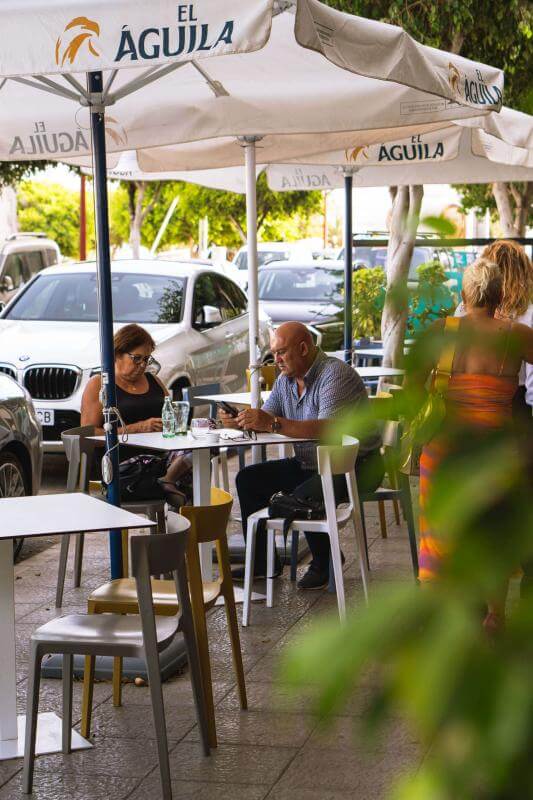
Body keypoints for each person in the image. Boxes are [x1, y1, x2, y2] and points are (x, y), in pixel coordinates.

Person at [414, 258, 533, 630]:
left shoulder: (442, 331)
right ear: (500, 294)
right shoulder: (517, 335)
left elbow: (412, 389)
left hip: (444, 450)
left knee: (441, 533)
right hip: (495, 453)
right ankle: (495, 615)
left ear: (464, 293)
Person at [220, 321, 384, 590]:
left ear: (304, 348)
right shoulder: (285, 380)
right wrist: (241, 420)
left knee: (298, 494)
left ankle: (325, 561)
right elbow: (269, 417)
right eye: (273, 354)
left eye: (282, 352)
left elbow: (327, 429)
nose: (277, 360)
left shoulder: (335, 374)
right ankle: (263, 563)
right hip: (312, 463)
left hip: (356, 466)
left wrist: (272, 423)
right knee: (248, 479)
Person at [81, 323, 191, 499]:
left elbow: (172, 415)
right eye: (136, 358)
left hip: (162, 458)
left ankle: (178, 499)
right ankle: (171, 490)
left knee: (201, 452)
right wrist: (136, 428)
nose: (142, 365)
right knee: (186, 474)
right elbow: (87, 436)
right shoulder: (100, 384)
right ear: (117, 354)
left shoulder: (153, 380)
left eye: (147, 359)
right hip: (125, 466)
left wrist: (172, 425)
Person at [455, 240, 533, 419]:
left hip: (460, 402)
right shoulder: (528, 314)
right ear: (523, 272)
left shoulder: (464, 308)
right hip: (512, 403)